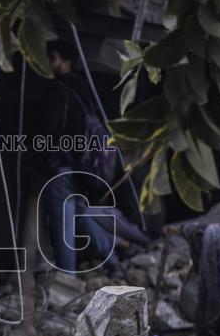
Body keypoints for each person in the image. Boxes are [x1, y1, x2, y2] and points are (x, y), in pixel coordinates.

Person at [35, 43, 149, 273]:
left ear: (64, 62)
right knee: (80, 215)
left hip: (64, 168)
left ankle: (67, 278)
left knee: (63, 225)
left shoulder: (59, 90)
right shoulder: (85, 89)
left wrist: (47, 160)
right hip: (86, 169)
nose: (48, 63)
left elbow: (51, 130)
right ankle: (114, 260)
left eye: (53, 57)